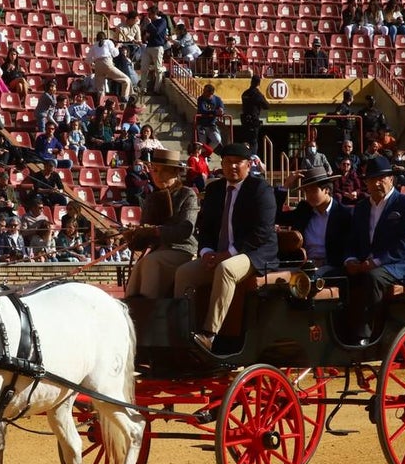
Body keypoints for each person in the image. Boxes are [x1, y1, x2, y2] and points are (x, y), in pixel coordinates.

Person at [174, 142, 278, 354]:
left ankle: (209, 335)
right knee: (184, 273)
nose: (232, 167)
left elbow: (262, 232)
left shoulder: (261, 189)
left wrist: (226, 254)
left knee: (227, 269)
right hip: (218, 254)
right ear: (221, 164)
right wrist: (206, 252)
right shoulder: (214, 189)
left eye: (237, 163)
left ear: (248, 165)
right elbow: (206, 227)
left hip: (253, 254)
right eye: (227, 162)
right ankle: (182, 332)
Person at [342, 154, 405, 343]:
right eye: (372, 179)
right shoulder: (361, 208)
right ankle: (341, 332)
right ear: (366, 183)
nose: (377, 183)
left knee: (373, 276)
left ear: (391, 179)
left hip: (399, 266)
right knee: (339, 276)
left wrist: (376, 261)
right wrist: (350, 260)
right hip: (366, 264)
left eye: (381, 178)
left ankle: (366, 334)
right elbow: (352, 240)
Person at [124, 149, 199, 299]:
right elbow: (140, 244)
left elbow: (185, 230)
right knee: (141, 265)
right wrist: (132, 236)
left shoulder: (187, 194)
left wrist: (156, 231)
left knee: (151, 262)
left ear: (175, 173)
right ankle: (135, 310)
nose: (158, 175)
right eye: (155, 170)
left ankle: (151, 310)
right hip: (158, 252)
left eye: (164, 171)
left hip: (183, 250)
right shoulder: (151, 199)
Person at [279, 166, 352, 278]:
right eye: (306, 191)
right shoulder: (304, 210)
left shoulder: (343, 214)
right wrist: (286, 185)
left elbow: (347, 250)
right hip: (303, 264)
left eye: (313, 190)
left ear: (326, 190)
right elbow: (275, 217)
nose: (309, 195)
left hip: (331, 267)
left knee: (308, 277)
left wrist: (323, 263)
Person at [86, 31, 131, 102]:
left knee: (101, 90)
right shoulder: (109, 42)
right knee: (126, 80)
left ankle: (101, 105)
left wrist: (93, 63)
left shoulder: (94, 45)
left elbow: (87, 60)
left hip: (98, 65)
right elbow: (115, 54)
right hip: (107, 63)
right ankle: (124, 97)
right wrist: (117, 46)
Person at [140, 4, 170, 94]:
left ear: (154, 14)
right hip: (149, 46)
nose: (148, 16)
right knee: (144, 67)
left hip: (157, 47)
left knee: (158, 69)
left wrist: (149, 24)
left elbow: (157, 32)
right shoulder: (151, 23)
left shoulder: (162, 21)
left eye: (150, 14)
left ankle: (156, 89)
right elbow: (149, 34)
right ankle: (143, 89)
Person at [239, 75, 269, 152]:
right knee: (253, 141)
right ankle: (252, 158)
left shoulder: (245, 93)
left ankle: (245, 155)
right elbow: (266, 106)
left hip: (245, 120)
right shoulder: (257, 94)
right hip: (253, 120)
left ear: (251, 82)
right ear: (259, 83)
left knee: (245, 140)